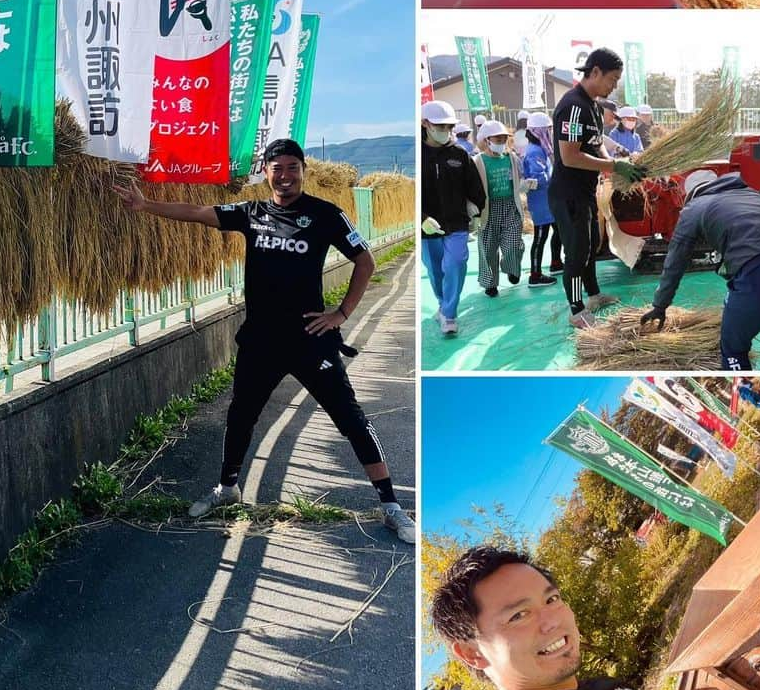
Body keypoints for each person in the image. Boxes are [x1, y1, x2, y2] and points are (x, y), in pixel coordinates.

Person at [113, 139, 415, 543]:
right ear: (267, 172)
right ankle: (227, 489)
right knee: (240, 415)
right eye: (277, 168)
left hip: (310, 338)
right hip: (260, 339)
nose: (285, 176)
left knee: (351, 420)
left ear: (304, 171)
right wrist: (145, 205)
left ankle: (390, 506)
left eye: (293, 168)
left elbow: (366, 261)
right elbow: (199, 213)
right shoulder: (251, 213)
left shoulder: (326, 215)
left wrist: (340, 314)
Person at [431, 547, 685, 690]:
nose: (552, 621)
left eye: (551, 600)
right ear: (471, 652)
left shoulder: (608, 688)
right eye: (519, 615)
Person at [641, 171, 760, 370]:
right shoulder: (750, 194)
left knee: (733, 348)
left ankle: (740, 382)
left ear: (691, 194)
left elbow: (676, 259)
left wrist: (660, 305)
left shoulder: (695, 207)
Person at [550, 48, 646, 330]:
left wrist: (616, 163)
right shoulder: (572, 105)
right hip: (567, 194)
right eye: (613, 79)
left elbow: (596, 143)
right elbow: (570, 156)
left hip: (586, 192)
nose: (614, 86)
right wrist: (614, 168)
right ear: (594, 73)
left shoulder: (593, 105)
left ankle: (593, 295)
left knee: (592, 245)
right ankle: (577, 309)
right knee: (577, 253)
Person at [422, 100, 488, 336]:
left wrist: (477, 208)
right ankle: (443, 304)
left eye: (449, 127)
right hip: (427, 228)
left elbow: (474, 186)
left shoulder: (459, 154)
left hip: (457, 222)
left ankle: (449, 314)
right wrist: (422, 218)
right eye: (440, 126)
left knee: (456, 264)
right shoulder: (419, 155)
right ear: (425, 124)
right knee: (436, 270)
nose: (445, 131)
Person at [473, 120, 527, 297]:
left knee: (514, 243)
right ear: (487, 140)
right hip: (488, 208)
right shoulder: (478, 161)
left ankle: (511, 269)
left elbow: (519, 177)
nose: (501, 142)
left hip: (510, 205)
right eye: (498, 138)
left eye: (504, 138)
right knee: (488, 248)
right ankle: (490, 283)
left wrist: (525, 186)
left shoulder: (511, 158)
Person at [522, 113, 561, 287]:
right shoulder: (534, 151)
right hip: (541, 203)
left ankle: (556, 263)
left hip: (549, 201)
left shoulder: (541, 149)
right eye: (548, 130)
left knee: (559, 232)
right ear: (539, 132)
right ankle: (535, 275)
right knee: (540, 237)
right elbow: (539, 177)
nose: (550, 133)